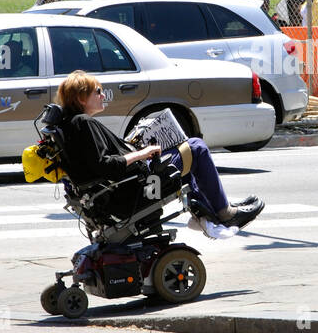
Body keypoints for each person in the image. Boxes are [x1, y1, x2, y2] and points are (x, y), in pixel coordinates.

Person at [56, 71, 264, 229]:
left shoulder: (70, 124)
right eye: (98, 91)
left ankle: (212, 209)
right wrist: (142, 153)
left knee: (181, 151)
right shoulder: (83, 123)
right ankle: (225, 213)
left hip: (122, 187)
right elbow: (107, 166)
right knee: (196, 147)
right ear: (82, 98)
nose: (103, 95)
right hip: (131, 188)